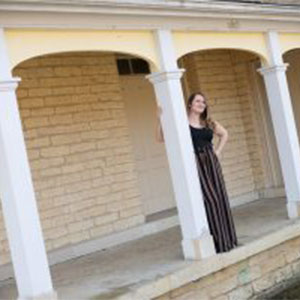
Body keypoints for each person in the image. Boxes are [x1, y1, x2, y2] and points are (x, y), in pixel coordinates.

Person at [155, 92, 238, 253]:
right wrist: (159, 118)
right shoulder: (182, 124)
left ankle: (227, 240)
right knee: (210, 201)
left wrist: (218, 152)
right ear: (190, 105)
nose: (202, 104)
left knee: (220, 199)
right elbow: (160, 138)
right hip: (196, 165)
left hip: (212, 164)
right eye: (198, 101)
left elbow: (224, 134)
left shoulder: (209, 122)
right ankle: (217, 242)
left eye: (204, 102)